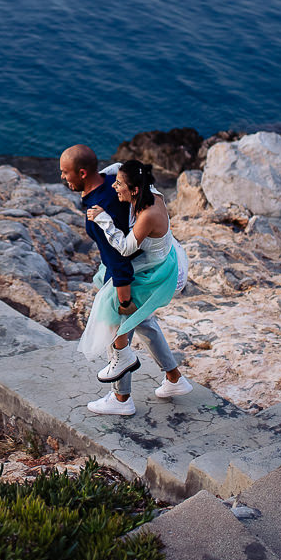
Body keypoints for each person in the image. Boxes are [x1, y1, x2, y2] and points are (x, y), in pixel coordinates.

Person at [80, 158, 191, 415]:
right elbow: (119, 164)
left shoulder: (148, 213)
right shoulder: (147, 189)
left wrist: (104, 218)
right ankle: (175, 379)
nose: (115, 187)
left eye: (119, 184)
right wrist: (102, 175)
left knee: (115, 313)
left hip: (155, 273)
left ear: (135, 190)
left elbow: (126, 247)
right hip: (166, 259)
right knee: (141, 320)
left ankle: (121, 399)